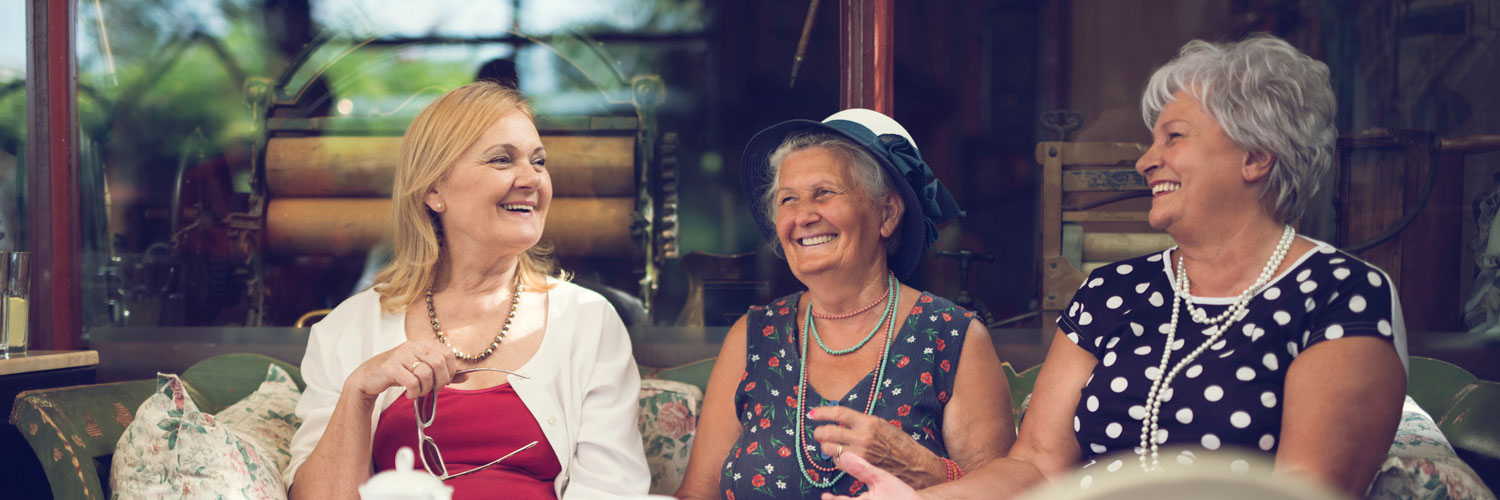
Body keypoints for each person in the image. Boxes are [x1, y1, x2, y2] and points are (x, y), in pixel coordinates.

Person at [821, 34, 1408, 500]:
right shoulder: (1114, 292)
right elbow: (1036, 464)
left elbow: (1306, 491)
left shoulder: (1339, 295)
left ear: (1255, 157)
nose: (1148, 161)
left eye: (1173, 138)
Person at [284, 81, 649, 499]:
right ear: (433, 191)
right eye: (502, 159)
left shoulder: (588, 320)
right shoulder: (350, 327)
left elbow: (611, 491)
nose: (531, 179)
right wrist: (359, 391)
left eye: (539, 161)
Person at [675, 109, 1017, 499]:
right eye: (788, 199)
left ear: (886, 214)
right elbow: (696, 494)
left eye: (824, 193)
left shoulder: (951, 337)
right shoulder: (754, 336)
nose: (803, 216)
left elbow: (1004, 493)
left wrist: (923, 469)